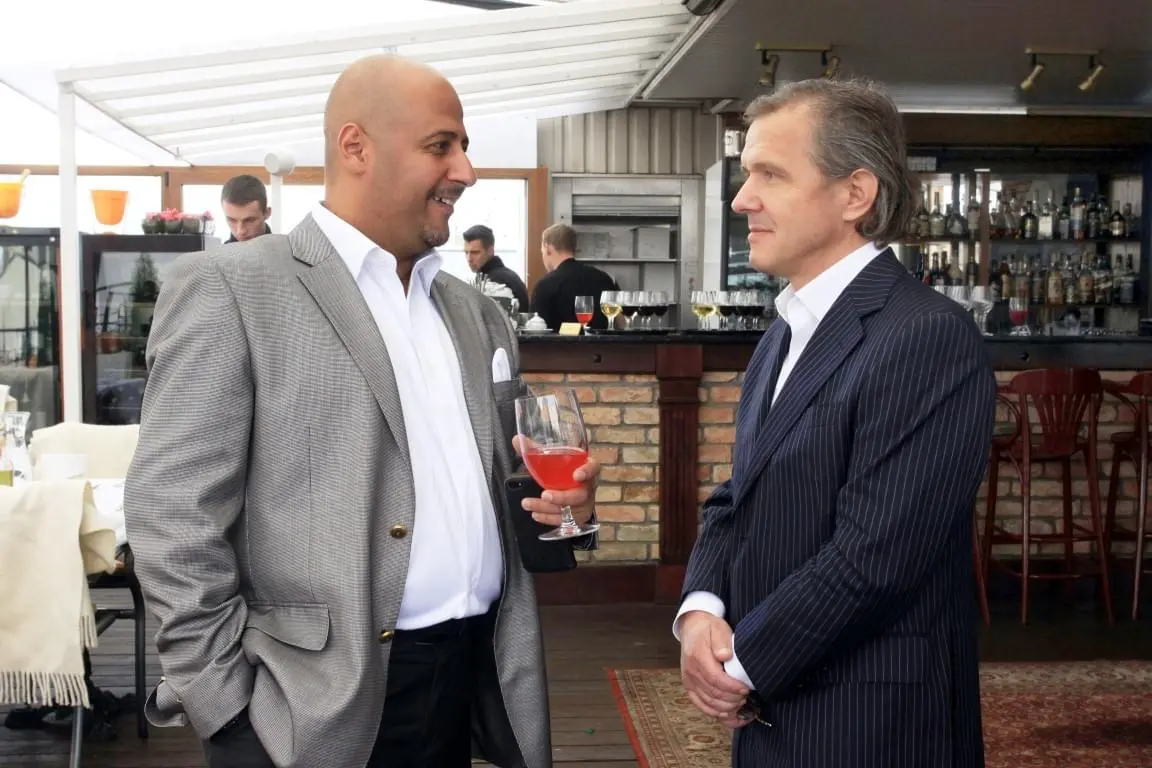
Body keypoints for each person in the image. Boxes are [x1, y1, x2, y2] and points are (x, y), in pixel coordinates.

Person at [124, 53, 600, 768]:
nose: (466, 171)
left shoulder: (478, 314)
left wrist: (566, 514)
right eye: (441, 146)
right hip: (307, 708)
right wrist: (225, 711)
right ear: (355, 147)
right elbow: (172, 514)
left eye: (464, 147)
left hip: (472, 680)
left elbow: (509, 491)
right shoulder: (232, 288)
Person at [676, 78, 995, 768]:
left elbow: (877, 557)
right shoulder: (786, 327)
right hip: (771, 710)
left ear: (855, 194)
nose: (742, 199)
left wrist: (740, 664)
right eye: (746, 174)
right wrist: (701, 609)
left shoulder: (927, 335)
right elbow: (739, 498)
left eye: (770, 174)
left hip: (868, 722)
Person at [529, 223, 618, 331]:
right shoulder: (604, 279)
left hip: (557, 342)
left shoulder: (544, 286)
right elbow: (619, 321)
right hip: (604, 342)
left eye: (542, 251)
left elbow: (535, 330)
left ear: (548, 248)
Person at [463, 224, 530, 310]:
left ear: (490, 251)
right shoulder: (503, 275)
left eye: (475, 252)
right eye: (466, 252)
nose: (469, 259)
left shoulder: (495, 282)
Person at [221, 174, 272, 242]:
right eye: (232, 220)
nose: (240, 231)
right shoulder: (220, 249)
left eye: (249, 220)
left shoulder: (284, 248)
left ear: (267, 213)